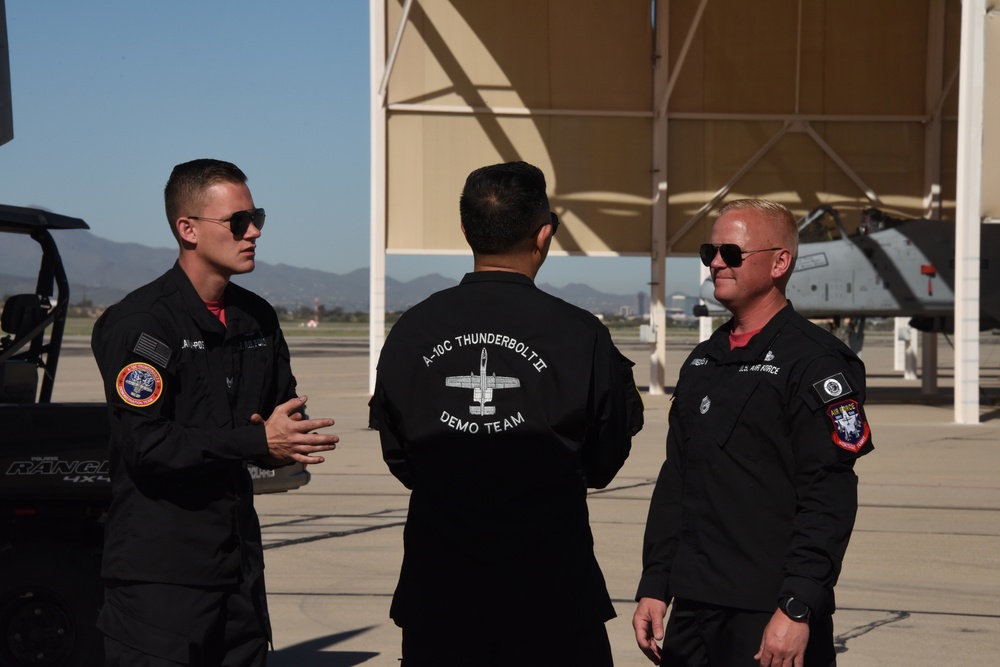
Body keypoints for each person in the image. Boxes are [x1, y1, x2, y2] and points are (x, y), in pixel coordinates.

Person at [368, 161, 644, 666]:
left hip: (441, 601)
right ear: (544, 236)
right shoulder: (582, 335)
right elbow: (605, 460)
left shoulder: (412, 331)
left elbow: (401, 455)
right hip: (552, 601)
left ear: (466, 231)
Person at [91, 158, 339, 666]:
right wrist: (257, 442)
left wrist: (288, 442)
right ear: (187, 229)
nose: (254, 233)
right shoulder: (144, 326)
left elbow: (276, 420)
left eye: (258, 218)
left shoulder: (257, 319)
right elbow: (148, 445)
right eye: (237, 222)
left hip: (238, 571)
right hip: (160, 580)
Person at [632, 199, 874, 667]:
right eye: (710, 251)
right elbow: (676, 483)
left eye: (732, 252)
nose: (717, 262)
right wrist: (655, 584)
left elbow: (828, 496)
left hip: (768, 614)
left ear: (780, 262)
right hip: (693, 610)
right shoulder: (703, 360)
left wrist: (798, 606)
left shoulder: (815, 363)